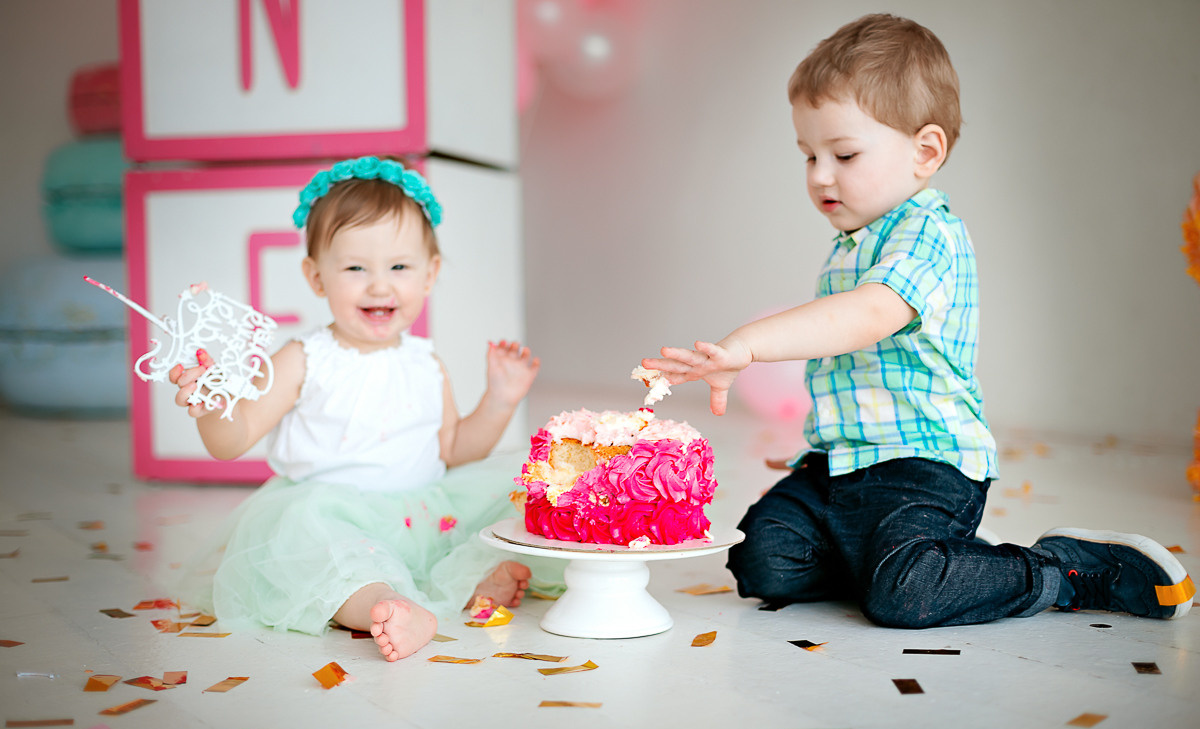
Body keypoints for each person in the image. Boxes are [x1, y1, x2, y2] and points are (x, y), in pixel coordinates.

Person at [643, 14, 1194, 628]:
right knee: (762, 561)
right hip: (842, 465)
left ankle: (1059, 571)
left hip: (925, 465)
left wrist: (748, 346)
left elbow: (870, 315)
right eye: (809, 155)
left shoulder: (929, 232)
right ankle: (908, 560)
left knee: (904, 596)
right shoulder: (851, 243)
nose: (820, 174)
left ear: (925, 151)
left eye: (843, 153)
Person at [171, 155, 547, 661]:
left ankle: (473, 578)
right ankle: (385, 603)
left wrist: (498, 400)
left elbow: (455, 450)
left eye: (399, 267)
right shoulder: (303, 359)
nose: (378, 284)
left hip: (422, 513)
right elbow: (233, 438)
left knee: (520, 499)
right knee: (320, 555)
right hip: (330, 516)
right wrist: (213, 404)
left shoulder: (425, 362)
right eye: (354, 268)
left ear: (429, 274)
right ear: (316, 277)